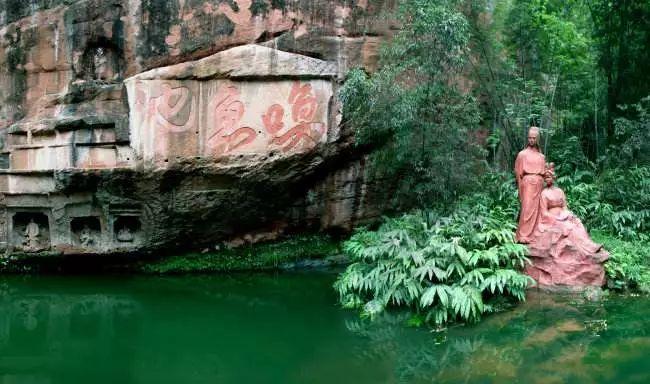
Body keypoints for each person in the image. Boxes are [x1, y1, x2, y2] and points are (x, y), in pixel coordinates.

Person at [537, 167, 603, 255]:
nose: (547, 179)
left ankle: (589, 245)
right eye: (545, 178)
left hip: (563, 215)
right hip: (552, 219)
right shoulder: (544, 193)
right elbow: (544, 212)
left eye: (549, 177)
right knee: (569, 227)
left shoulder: (559, 191)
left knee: (577, 222)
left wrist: (567, 214)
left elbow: (564, 206)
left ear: (553, 177)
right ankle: (585, 250)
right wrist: (557, 218)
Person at [514, 126, 546, 243]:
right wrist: (520, 188)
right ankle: (523, 235)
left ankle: (535, 235)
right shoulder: (522, 154)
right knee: (527, 208)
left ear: (537, 139)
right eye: (529, 138)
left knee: (538, 210)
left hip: (539, 184)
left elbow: (545, 174)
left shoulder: (541, 157)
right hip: (527, 184)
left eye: (533, 138)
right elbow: (518, 174)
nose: (531, 140)